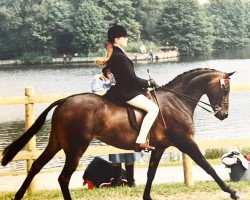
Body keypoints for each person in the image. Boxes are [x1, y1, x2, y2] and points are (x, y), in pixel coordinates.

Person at [95, 24, 159, 152]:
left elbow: (128, 77)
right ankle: (140, 141)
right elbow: (132, 79)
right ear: (117, 39)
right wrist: (148, 83)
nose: (127, 39)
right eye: (124, 37)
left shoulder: (116, 54)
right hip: (126, 93)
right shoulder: (120, 57)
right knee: (153, 109)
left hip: (121, 90)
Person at [91, 67, 144, 187]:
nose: (112, 74)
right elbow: (96, 92)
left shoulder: (119, 79)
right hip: (112, 116)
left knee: (129, 150)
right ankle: (117, 179)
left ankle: (131, 180)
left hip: (124, 114)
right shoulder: (99, 79)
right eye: (110, 72)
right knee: (115, 151)